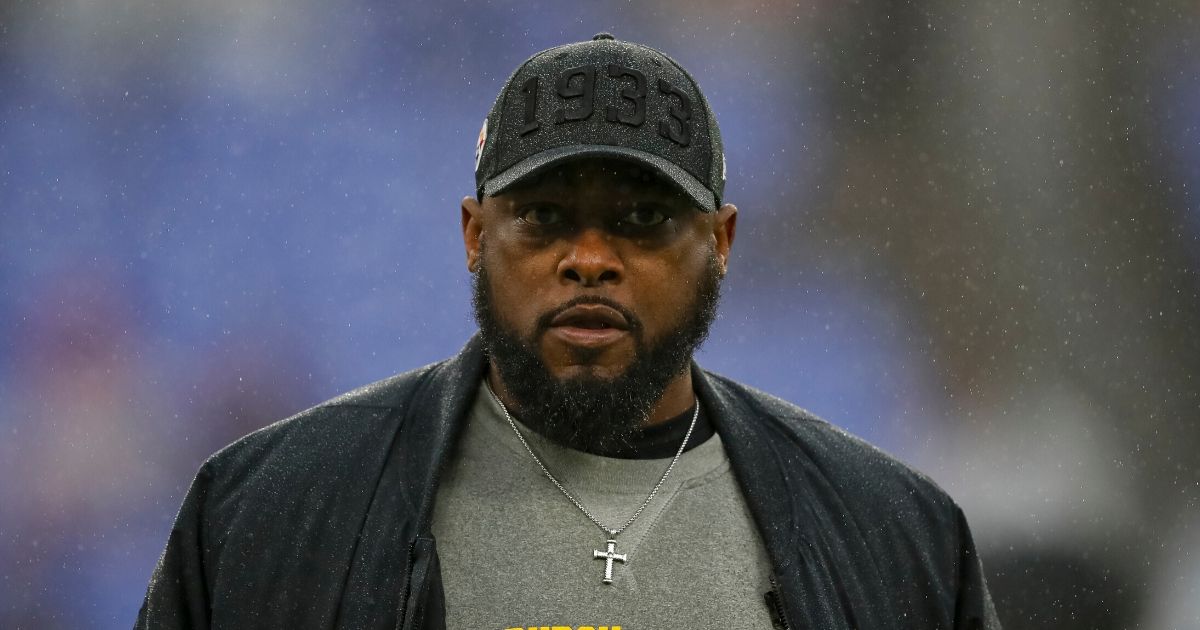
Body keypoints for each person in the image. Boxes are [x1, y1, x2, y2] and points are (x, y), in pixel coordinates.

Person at [137, 34, 1000, 629]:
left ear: (721, 243)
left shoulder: (895, 538)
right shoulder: (266, 514)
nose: (590, 259)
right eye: (545, 217)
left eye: (642, 219)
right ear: (475, 235)